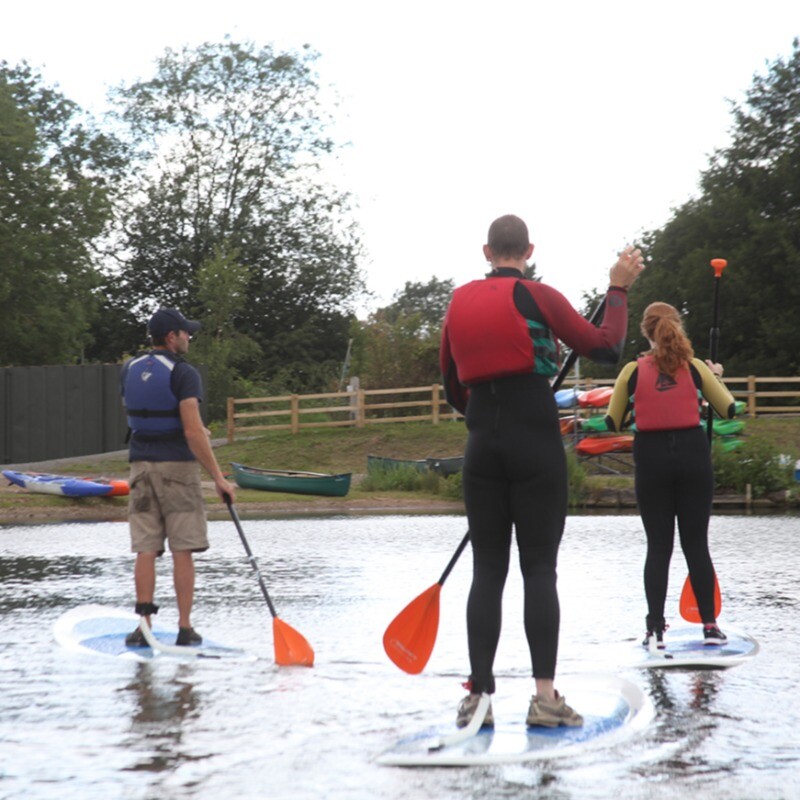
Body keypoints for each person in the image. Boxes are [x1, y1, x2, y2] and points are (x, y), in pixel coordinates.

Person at [439, 214, 643, 728]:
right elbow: (605, 345)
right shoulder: (538, 293)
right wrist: (616, 289)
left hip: (482, 442)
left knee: (487, 569)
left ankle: (478, 698)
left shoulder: (457, 302)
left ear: (487, 252)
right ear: (527, 250)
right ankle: (545, 699)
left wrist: (489, 414)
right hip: (535, 439)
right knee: (538, 570)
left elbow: (452, 390)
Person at [605, 302, 736, 649]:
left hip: (651, 459)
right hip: (693, 457)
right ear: (677, 327)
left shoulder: (632, 370)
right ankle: (709, 626)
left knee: (659, 547)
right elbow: (729, 407)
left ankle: (655, 629)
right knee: (696, 544)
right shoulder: (694, 367)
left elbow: (612, 421)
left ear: (646, 332)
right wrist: (716, 375)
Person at [120, 307, 236, 647]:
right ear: (171, 337)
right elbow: (191, 431)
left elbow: (143, 413)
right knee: (182, 549)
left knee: (146, 547)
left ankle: (144, 627)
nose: (189, 337)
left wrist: (196, 427)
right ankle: (184, 629)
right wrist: (218, 477)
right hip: (177, 470)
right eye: (185, 332)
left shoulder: (129, 368)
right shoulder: (185, 373)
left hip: (140, 467)